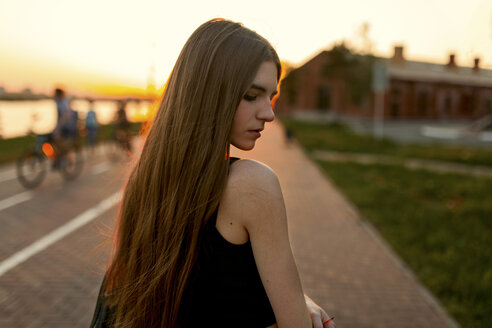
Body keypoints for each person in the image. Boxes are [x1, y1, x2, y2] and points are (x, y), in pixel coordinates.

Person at [90, 18, 336, 328]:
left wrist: (295, 298)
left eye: (270, 97)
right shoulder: (253, 185)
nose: (269, 113)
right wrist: (297, 306)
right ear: (209, 93)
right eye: (251, 96)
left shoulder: (147, 181)